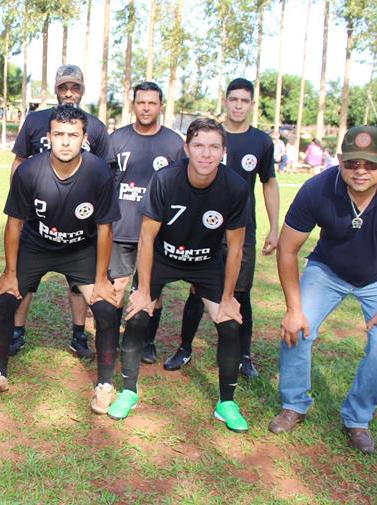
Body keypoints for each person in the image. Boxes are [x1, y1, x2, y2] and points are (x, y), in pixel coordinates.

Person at [270, 126, 377, 454]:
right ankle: (294, 404)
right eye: (353, 163)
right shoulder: (317, 189)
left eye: (371, 164)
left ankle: (357, 419)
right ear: (341, 159)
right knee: (297, 328)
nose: (361, 171)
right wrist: (293, 307)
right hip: (328, 268)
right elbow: (287, 249)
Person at [0, 105, 121, 414]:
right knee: (5, 300)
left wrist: (100, 280)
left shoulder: (99, 172)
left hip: (81, 250)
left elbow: (105, 228)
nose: (66, 142)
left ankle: (105, 387)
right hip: (37, 246)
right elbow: (15, 224)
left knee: (106, 309)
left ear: (84, 138)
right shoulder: (30, 171)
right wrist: (10, 272)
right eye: (59, 134)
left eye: (73, 135)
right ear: (48, 137)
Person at [112, 118, 250, 429]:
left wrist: (228, 298)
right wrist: (144, 290)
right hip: (163, 258)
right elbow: (146, 236)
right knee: (137, 314)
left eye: (214, 147)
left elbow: (236, 247)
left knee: (230, 325)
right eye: (199, 146)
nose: (206, 154)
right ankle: (128, 392)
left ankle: (226, 403)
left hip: (206, 263)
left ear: (223, 152)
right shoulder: (166, 179)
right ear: (186, 149)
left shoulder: (236, 188)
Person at [169, 78, 279, 378]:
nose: (238, 105)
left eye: (245, 100)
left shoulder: (261, 142)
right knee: (196, 290)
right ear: (226, 101)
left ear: (251, 104)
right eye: (233, 99)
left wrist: (274, 227)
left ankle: (243, 356)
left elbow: (269, 183)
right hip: (204, 231)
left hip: (241, 230)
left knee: (240, 293)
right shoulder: (207, 135)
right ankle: (184, 348)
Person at [8, 64, 116, 360]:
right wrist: (19, 198)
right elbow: (19, 162)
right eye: (64, 87)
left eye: (75, 87)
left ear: (83, 90)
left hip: (81, 220)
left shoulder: (95, 126)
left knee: (79, 285)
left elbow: (107, 172)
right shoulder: (35, 121)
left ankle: (79, 333)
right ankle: (17, 330)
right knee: (24, 281)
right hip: (38, 215)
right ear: (55, 89)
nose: (69, 92)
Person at [109, 82, 185, 365]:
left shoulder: (174, 144)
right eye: (141, 102)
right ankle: (114, 338)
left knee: (151, 291)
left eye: (152, 103)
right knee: (117, 288)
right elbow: (106, 184)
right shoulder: (117, 139)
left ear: (160, 106)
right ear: (133, 104)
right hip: (120, 228)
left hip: (156, 233)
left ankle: (146, 341)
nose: (146, 108)